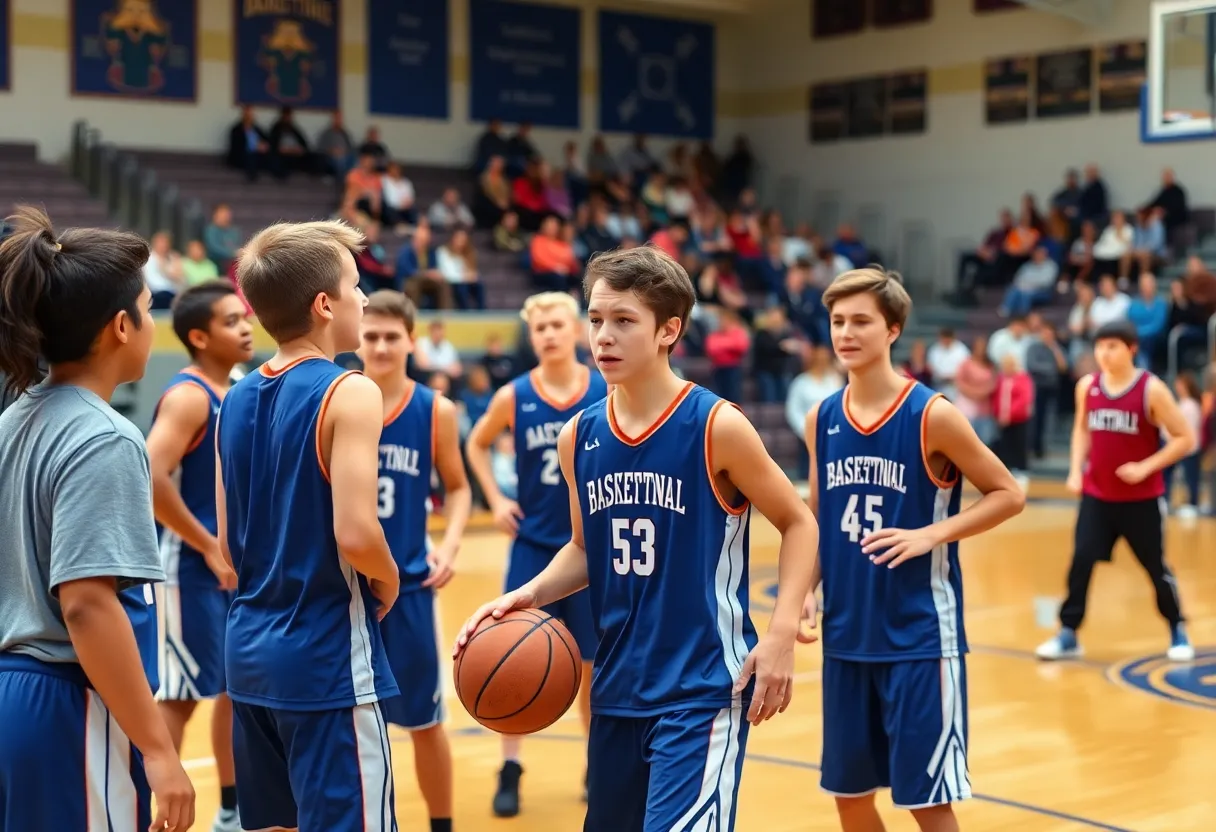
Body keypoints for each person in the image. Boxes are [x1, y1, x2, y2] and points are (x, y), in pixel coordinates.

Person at [456, 247, 820, 831]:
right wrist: (528, 594)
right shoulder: (580, 434)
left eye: (624, 321)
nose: (604, 336)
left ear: (667, 330)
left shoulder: (715, 425)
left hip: (700, 687)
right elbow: (583, 549)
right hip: (617, 688)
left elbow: (801, 523)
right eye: (596, 319)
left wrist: (780, 636)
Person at [805, 267, 1025, 831]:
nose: (846, 333)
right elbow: (815, 516)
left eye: (861, 321)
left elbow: (1008, 494)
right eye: (837, 321)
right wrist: (807, 588)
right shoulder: (822, 418)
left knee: (928, 803)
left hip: (920, 638)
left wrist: (932, 534)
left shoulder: (932, 415)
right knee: (849, 799)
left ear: (893, 329)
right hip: (846, 638)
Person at [0, 206, 196, 831]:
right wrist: (161, 751)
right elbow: (86, 603)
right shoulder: (104, 437)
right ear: (120, 326)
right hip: (67, 702)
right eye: (147, 308)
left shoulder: (13, 419)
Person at [216, 220, 400, 832]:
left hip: (247, 654)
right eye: (355, 285)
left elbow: (226, 545)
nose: (365, 298)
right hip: (323, 659)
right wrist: (390, 576)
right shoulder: (351, 392)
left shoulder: (234, 398)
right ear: (325, 305)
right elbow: (355, 532)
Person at [464, 290, 609, 816]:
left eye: (556, 324)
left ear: (575, 329)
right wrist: (496, 497)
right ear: (532, 335)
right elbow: (476, 443)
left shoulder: (603, 388)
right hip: (533, 546)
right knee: (514, 655)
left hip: (589, 550)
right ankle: (511, 766)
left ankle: (597, 763)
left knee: (594, 666)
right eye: (539, 327)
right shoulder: (514, 394)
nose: (548, 334)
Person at [358, 289, 472, 832]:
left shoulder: (434, 410)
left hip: (408, 589)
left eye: (390, 336)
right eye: (371, 336)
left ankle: (441, 825)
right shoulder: (334, 400)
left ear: (411, 339)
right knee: (348, 724)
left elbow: (458, 487)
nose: (380, 346)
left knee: (425, 721)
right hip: (346, 590)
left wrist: (447, 547)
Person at [145, 281, 252, 832]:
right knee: (183, 694)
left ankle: (232, 807)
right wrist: (207, 543)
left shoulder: (233, 389)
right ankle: (145, 810)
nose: (246, 326)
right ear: (198, 336)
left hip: (222, 570)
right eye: (232, 320)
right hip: (183, 570)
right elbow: (150, 473)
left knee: (232, 690)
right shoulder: (189, 396)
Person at [1036, 320, 1195, 662]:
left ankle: (1177, 628)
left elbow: (1185, 439)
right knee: (1081, 561)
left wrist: (1145, 467)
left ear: (1131, 349)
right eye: (1100, 346)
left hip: (1141, 501)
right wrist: (1075, 469)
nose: (1104, 354)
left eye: (1112, 346)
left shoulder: (1151, 390)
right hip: (1097, 496)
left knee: (1155, 567)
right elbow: (1082, 430)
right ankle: (1068, 633)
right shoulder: (1087, 387)